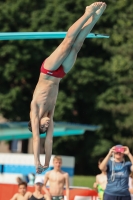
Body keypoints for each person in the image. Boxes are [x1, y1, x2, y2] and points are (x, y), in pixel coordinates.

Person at [28, 2, 107, 174]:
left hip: (48, 71)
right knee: (77, 46)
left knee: (67, 43)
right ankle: (96, 18)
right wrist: (47, 163)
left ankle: (87, 13)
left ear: (35, 123)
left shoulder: (35, 110)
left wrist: (37, 162)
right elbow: (48, 142)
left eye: (42, 126)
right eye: (45, 128)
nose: (46, 125)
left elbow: (36, 139)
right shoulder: (50, 115)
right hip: (59, 75)